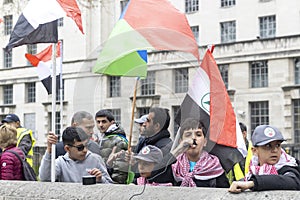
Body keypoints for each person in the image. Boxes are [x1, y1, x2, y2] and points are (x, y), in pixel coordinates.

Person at [151, 118, 229, 187]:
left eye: (198, 135)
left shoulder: (213, 166)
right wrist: (177, 150)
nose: (193, 138)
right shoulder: (174, 166)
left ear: (205, 142)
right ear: (181, 141)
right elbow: (153, 175)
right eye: (188, 135)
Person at [229, 125, 300, 193]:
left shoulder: (289, 166)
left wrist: (253, 183)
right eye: (268, 146)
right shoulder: (253, 170)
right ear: (254, 150)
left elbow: (293, 181)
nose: (275, 150)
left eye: (278, 145)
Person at [39, 126, 112, 183]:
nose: (85, 150)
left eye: (86, 145)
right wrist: (49, 150)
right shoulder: (61, 163)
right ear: (67, 149)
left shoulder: (96, 159)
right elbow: (45, 179)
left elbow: (110, 186)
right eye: (80, 148)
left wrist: (101, 179)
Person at [95, 109, 128, 184]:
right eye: (98, 122)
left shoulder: (119, 140)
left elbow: (120, 170)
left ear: (112, 122)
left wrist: (113, 186)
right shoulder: (101, 138)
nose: (100, 125)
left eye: (104, 121)